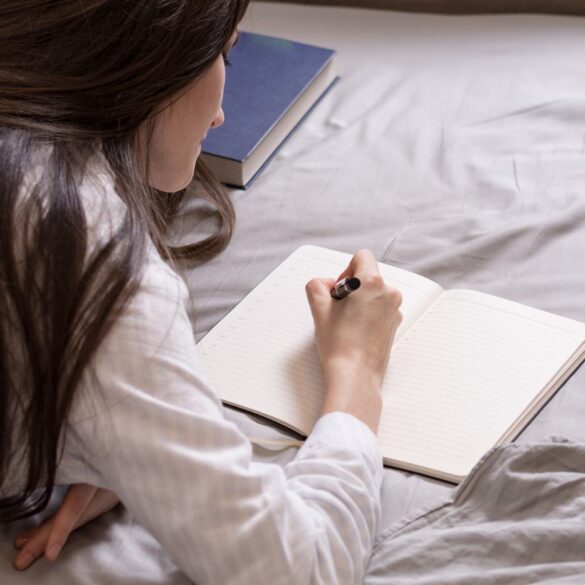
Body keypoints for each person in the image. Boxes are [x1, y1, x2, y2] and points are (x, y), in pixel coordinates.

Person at [0, 1, 403, 583]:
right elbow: (298, 569)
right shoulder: (97, 267)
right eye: (225, 56)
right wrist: (357, 370)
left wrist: (102, 444)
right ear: (146, 55)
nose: (220, 117)